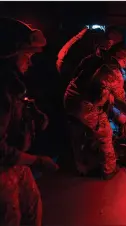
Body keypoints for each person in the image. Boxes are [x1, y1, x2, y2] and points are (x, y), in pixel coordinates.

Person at [0, 17, 59, 226]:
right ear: (10, 55)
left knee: (32, 209)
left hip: (18, 162)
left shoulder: (12, 83)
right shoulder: (3, 89)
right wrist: (37, 161)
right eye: (27, 55)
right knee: (10, 217)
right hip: (5, 168)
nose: (30, 61)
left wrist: (29, 112)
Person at [64, 42, 126, 179]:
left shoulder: (93, 58)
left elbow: (77, 74)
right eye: (125, 60)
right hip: (86, 105)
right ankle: (109, 170)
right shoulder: (113, 72)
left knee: (76, 132)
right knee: (105, 133)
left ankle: (80, 165)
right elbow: (120, 102)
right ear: (119, 56)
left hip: (70, 97)